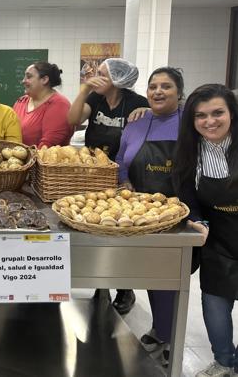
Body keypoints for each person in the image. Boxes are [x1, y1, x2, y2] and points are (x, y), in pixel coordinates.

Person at [115, 67, 185, 366]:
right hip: (138, 212)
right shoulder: (136, 123)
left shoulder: (189, 124)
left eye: (166, 86)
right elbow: (120, 159)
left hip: (175, 212)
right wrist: (123, 181)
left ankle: (171, 336)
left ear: (179, 93)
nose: (158, 91)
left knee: (169, 277)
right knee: (149, 274)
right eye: (153, 86)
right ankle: (160, 329)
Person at [67, 57, 148, 315]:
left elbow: (145, 134)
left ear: (119, 79)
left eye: (102, 73)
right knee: (96, 229)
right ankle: (101, 286)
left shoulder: (137, 104)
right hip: (95, 174)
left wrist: (148, 113)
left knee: (120, 231)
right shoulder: (96, 100)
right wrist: (83, 90)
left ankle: (125, 288)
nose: (95, 76)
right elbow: (73, 119)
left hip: (125, 177)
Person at [173, 84, 238, 377]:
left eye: (217, 113)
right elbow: (187, 194)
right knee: (215, 302)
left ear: (232, 114)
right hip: (217, 236)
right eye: (200, 115)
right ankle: (224, 362)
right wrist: (198, 220)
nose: (209, 121)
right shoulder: (189, 151)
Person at [13, 62, 73, 147]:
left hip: (43, 159)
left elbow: (47, 146)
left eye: (29, 77)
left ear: (44, 80)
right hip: (20, 159)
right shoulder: (21, 102)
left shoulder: (59, 105)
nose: (23, 81)